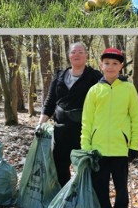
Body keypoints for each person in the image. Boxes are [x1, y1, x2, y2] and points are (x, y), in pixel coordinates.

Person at [80, 48, 138, 208]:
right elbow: (87, 121)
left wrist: (134, 145)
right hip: (97, 151)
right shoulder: (94, 90)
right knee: (100, 188)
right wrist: (86, 147)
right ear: (101, 65)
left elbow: (136, 118)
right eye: (107, 63)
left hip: (120, 150)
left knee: (121, 190)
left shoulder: (128, 88)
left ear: (121, 66)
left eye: (115, 63)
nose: (110, 67)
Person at [36, 42, 102, 187]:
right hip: (60, 131)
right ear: (68, 55)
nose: (76, 54)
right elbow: (50, 101)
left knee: (85, 168)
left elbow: (105, 99)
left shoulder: (95, 76)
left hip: (84, 131)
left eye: (80, 52)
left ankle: (84, 200)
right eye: (73, 52)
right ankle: (63, 200)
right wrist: (41, 123)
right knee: (60, 166)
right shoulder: (60, 76)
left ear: (86, 55)